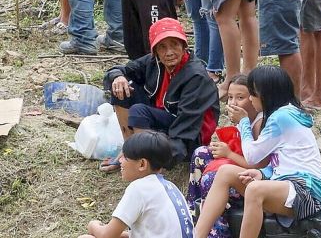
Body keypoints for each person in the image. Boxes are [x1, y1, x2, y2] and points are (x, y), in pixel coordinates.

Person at [193, 66, 321, 238]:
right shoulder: (284, 113)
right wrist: (262, 173)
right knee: (225, 172)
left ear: (265, 95)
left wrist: (244, 123)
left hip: (306, 193)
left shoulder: (281, 117)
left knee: (255, 190)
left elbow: (252, 155)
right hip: (286, 185)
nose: (251, 98)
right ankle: (198, 235)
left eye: (252, 93)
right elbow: (284, 160)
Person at [102, 18, 220, 171]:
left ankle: (144, 160)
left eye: (175, 45)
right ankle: (130, 150)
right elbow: (125, 69)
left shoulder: (195, 76)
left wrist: (162, 161)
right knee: (121, 87)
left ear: (184, 46)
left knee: (139, 111)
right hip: (165, 119)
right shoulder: (154, 62)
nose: (169, 52)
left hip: (191, 135)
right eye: (162, 47)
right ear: (155, 51)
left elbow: (186, 126)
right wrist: (117, 76)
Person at [186, 74, 264, 238]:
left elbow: (257, 164)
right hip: (238, 166)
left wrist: (227, 153)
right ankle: (194, 213)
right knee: (200, 154)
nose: (233, 103)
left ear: (253, 98)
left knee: (211, 178)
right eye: (230, 97)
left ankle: (217, 230)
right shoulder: (242, 119)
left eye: (240, 97)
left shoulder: (259, 123)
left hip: (251, 178)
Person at [78, 132, 194, 238]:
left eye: (125, 157)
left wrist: (93, 225)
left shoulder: (139, 188)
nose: (120, 161)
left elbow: (106, 235)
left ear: (142, 164)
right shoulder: (171, 187)